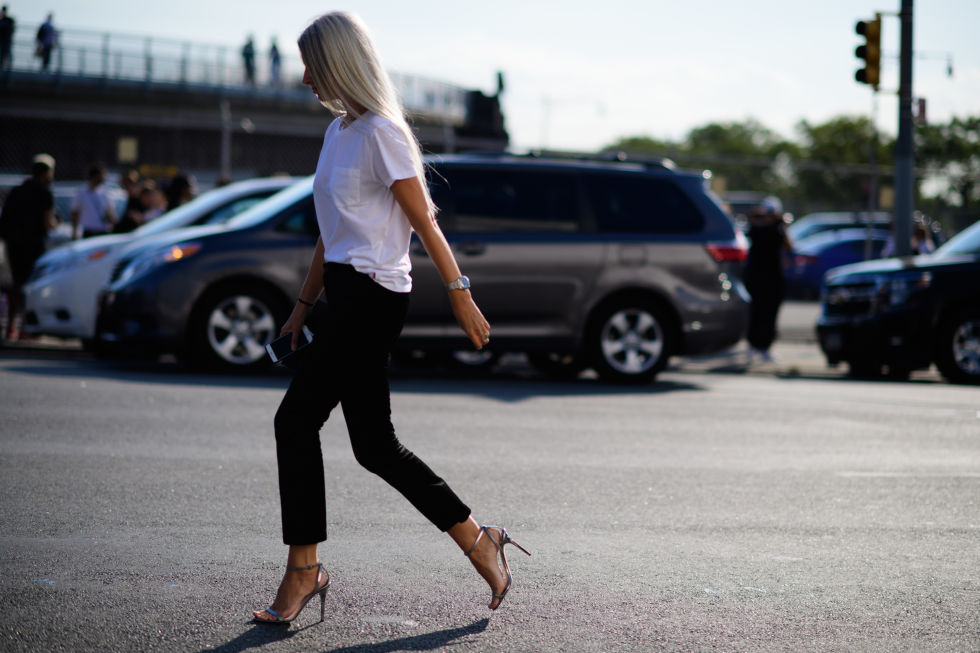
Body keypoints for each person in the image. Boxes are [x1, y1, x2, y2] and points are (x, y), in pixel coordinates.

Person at [251, 11, 529, 626]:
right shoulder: (338, 133)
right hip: (343, 295)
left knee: (295, 420)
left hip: (375, 296)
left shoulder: (383, 132)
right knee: (374, 447)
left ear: (339, 62)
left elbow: (424, 222)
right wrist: (301, 308)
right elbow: (332, 234)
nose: (303, 79)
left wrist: (460, 291)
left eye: (311, 65)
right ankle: (479, 539)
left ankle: (303, 568)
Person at [0, 154, 56, 340]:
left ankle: (10, 327)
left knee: (16, 284)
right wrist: (55, 223)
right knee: (32, 285)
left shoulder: (17, 190)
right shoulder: (45, 192)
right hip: (34, 243)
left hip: (14, 243)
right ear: (46, 173)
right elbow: (48, 223)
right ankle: (26, 327)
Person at [744, 196, 791, 363]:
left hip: (773, 278)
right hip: (756, 277)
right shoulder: (755, 228)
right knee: (755, 312)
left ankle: (765, 347)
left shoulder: (778, 229)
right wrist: (758, 218)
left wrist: (780, 224)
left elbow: (788, 245)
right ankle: (752, 345)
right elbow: (748, 231)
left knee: (770, 313)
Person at [71, 163, 117, 239]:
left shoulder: (105, 193)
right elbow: (75, 212)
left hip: (103, 231)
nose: (104, 178)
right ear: (95, 176)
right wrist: (74, 231)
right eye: (102, 175)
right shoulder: (82, 193)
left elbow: (110, 212)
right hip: (89, 232)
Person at [113, 169, 144, 234]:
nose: (130, 187)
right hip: (122, 233)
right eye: (127, 184)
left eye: (132, 184)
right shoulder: (122, 199)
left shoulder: (142, 200)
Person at [0, 6, 14, 71]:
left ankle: (5, 66)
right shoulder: (8, 20)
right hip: (4, 41)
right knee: (4, 54)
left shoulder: (8, 20)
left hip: (6, 40)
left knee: (5, 54)